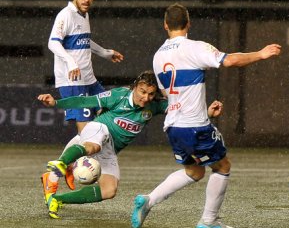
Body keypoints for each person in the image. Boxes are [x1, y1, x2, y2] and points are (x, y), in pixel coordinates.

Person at [131, 3, 281, 228]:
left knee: (195, 171)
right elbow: (229, 60)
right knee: (222, 166)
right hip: (194, 126)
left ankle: (149, 200)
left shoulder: (158, 56)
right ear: (188, 24)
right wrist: (260, 54)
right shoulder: (195, 48)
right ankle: (209, 221)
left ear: (165, 26)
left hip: (173, 126)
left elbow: (166, 93)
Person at [38, 70, 224, 219]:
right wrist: (56, 102)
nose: (146, 97)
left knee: (109, 190)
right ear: (135, 87)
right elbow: (85, 101)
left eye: (151, 94)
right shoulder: (119, 95)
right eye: (142, 92)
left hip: (109, 150)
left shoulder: (155, 106)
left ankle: (57, 200)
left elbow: (184, 115)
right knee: (93, 146)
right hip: (98, 130)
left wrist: (207, 113)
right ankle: (60, 164)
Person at [45, 0, 124, 193]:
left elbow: (85, 41)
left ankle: (68, 163)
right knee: (88, 133)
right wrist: (70, 61)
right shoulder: (66, 15)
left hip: (89, 80)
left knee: (110, 112)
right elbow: (53, 42)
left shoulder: (84, 14)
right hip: (72, 82)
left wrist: (105, 53)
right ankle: (54, 174)